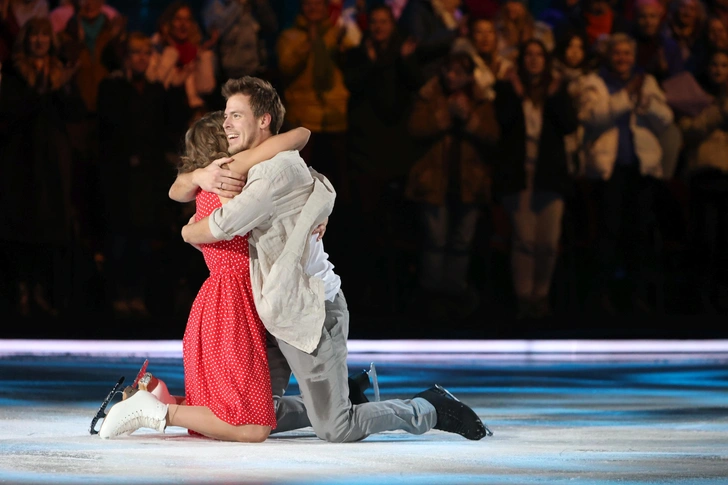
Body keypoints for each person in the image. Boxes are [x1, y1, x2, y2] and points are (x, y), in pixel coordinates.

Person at [101, 75, 490, 443]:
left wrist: (186, 230)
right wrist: (201, 175)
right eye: (226, 116)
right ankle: (346, 394)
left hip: (309, 310)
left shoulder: (272, 173)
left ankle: (430, 408)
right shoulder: (257, 164)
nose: (227, 125)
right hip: (270, 306)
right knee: (253, 411)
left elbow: (217, 226)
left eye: (236, 116)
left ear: (264, 120)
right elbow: (295, 164)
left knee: (335, 427)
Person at [98, 112, 313, 442]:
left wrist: (196, 178)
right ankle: (154, 410)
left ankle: (159, 400)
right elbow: (298, 135)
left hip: (218, 303)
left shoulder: (206, 185)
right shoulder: (230, 176)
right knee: (251, 427)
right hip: (233, 304)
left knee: (240, 409)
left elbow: (178, 191)